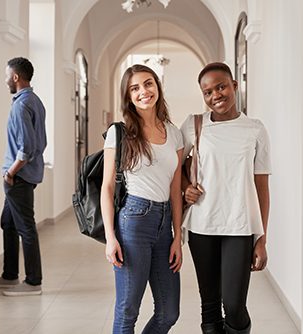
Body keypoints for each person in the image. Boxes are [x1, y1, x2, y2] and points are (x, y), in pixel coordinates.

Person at [180, 62, 271, 334]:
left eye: (220, 87)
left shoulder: (255, 129)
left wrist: (262, 238)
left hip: (240, 226)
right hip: (201, 225)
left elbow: (262, 186)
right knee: (209, 304)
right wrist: (186, 187)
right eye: (207, 92)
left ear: (234, 85)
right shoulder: (194, 125)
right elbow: (174, 168)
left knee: (234, 306)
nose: (215, 95)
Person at [101, 64, 183, 333]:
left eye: (148, 84)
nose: (143, 92)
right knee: (128, 309)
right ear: (128, 95)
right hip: (134, 221)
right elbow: (108, 187)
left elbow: (175, 189)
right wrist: (111, 237)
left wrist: (177, 237)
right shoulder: (120, 132)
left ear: (157, 86)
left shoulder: (173, 132)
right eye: (135, 88)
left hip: (164, 223)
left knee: (169, 312)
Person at [0, 57, 47, 297]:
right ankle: (10, 275)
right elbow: (41, 142)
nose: (4, 80)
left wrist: (11, 172)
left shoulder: (21, 105)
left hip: (18, 177)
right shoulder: (35, 101)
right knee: (8, 223)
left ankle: (33, 282)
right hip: (24, 176)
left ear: (15, 77)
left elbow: (28, 147)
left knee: (25, 228)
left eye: (6, 75)